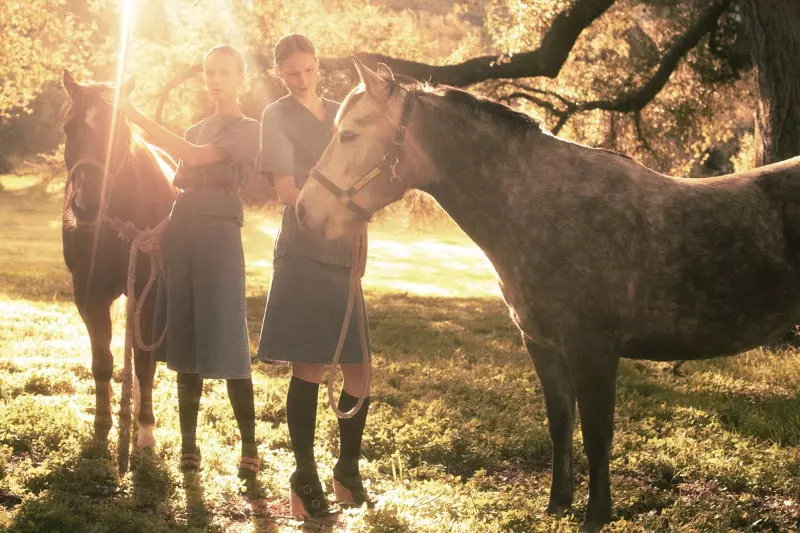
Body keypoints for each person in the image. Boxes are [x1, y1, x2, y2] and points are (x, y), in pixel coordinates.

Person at [118, 44, 261, 493]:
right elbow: (183, 192)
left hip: (220, 238)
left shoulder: (248, 129)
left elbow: (198, 158)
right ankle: (189, 445)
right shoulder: (195, 126)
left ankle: (250, 446)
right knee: (183, 340)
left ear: (242, 78)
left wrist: (136, 117)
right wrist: (160, 229)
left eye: (225, 72)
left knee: (228, 338)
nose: (216, 79)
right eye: (210, 72)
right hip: (182, 238)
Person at [257, 33, 372, 520]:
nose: (301, 80)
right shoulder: (276, 116)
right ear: (278, 74)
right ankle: (304, 476)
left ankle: (346, 470)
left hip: (346, 250)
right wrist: (345, 199)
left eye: (307, 70)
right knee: (310, 367)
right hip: (304, 250)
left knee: (361, 372)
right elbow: (286, 189)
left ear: (318, 65)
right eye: (291, 73)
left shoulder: (343, 112)